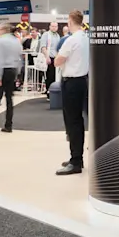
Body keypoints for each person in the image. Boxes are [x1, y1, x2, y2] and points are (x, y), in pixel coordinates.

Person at [55, 10, 90, 176]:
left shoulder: (71, 40)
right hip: (83, 81)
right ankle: (77, 158)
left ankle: (75, 161)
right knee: (78, 120)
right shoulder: (86, 38)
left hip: (71, 83)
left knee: (72, 122)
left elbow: (57, 61)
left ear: (69, 22)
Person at [0, 21, 21, 133]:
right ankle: (8, 125)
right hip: (12, 71)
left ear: (2, 30)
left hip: (2, 71)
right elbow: (19, 59)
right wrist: (17, 73)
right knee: (9, 99)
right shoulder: (16, 41)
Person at [38, 21, 61, 86]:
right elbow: (43, 47)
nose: (54, 28)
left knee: (55, 76)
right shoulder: (46, 34)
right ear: (50, 27)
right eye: (52, 26)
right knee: (49, 76)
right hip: (48, 58)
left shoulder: (58, 36)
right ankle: (48, 91)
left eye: (55, 26)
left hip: (55, 58)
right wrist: (47, 57)